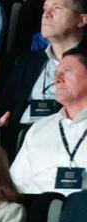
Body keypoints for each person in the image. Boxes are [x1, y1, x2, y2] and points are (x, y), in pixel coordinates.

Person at [12, 48, 87, 194]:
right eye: (56, 73)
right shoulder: (38, 129)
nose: (57, 79)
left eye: (67, 71)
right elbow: (16, 185)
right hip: (38, 211)